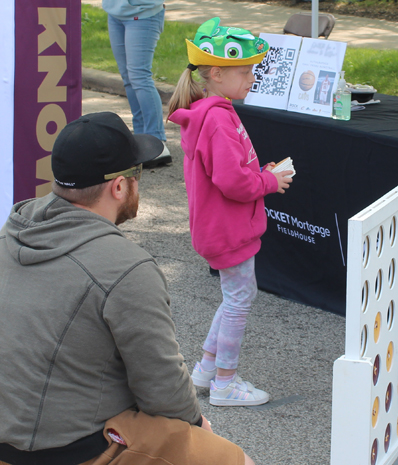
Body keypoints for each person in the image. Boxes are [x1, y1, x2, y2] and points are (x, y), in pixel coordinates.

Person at [0, 112, 254, 465]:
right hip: (67, 450)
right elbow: (163, 391)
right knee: (231, 459)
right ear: (119, 187)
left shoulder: (9, 234)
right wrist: (197, 426)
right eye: (138, 174)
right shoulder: (125, 267)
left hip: (11, 435)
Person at [168, 18, 293, 407]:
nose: (252, 78)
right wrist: (269, 183)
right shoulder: (218, 118)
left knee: (236, 295)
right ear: (217, 74)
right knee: (239, 298)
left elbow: (230, 172)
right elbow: (232, 182)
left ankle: (207, 369)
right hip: (227, 228)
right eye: (245, 72)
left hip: (219, 226)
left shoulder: (213, 111)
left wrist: (260, 173)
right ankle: (225, 383)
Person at [102, 0, 171, 168]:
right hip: (115, 12)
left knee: (139, 77)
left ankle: (156, 142)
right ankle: (141, 140)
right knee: (128, 78)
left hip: (143, 13)